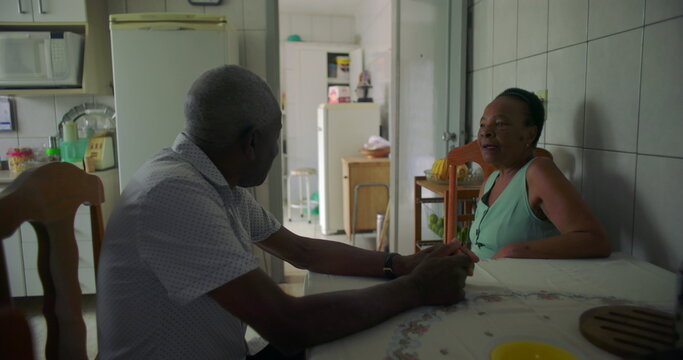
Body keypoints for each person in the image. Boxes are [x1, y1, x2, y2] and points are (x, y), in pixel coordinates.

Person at [96, 65, 478, 360]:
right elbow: (287, 324)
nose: (277, 150)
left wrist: (401, 264)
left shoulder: (210, 179)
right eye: (275, 136)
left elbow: (302, 251)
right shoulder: (175, 194)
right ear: (251, 142)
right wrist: (416, 288)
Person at [469, 87, 610, 260]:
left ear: (530, 134)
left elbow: (595, 240)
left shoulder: (538, 172)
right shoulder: (490, 182)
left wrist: (516, 251)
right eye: (483, 124)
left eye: (500, 124)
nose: (485, 131)